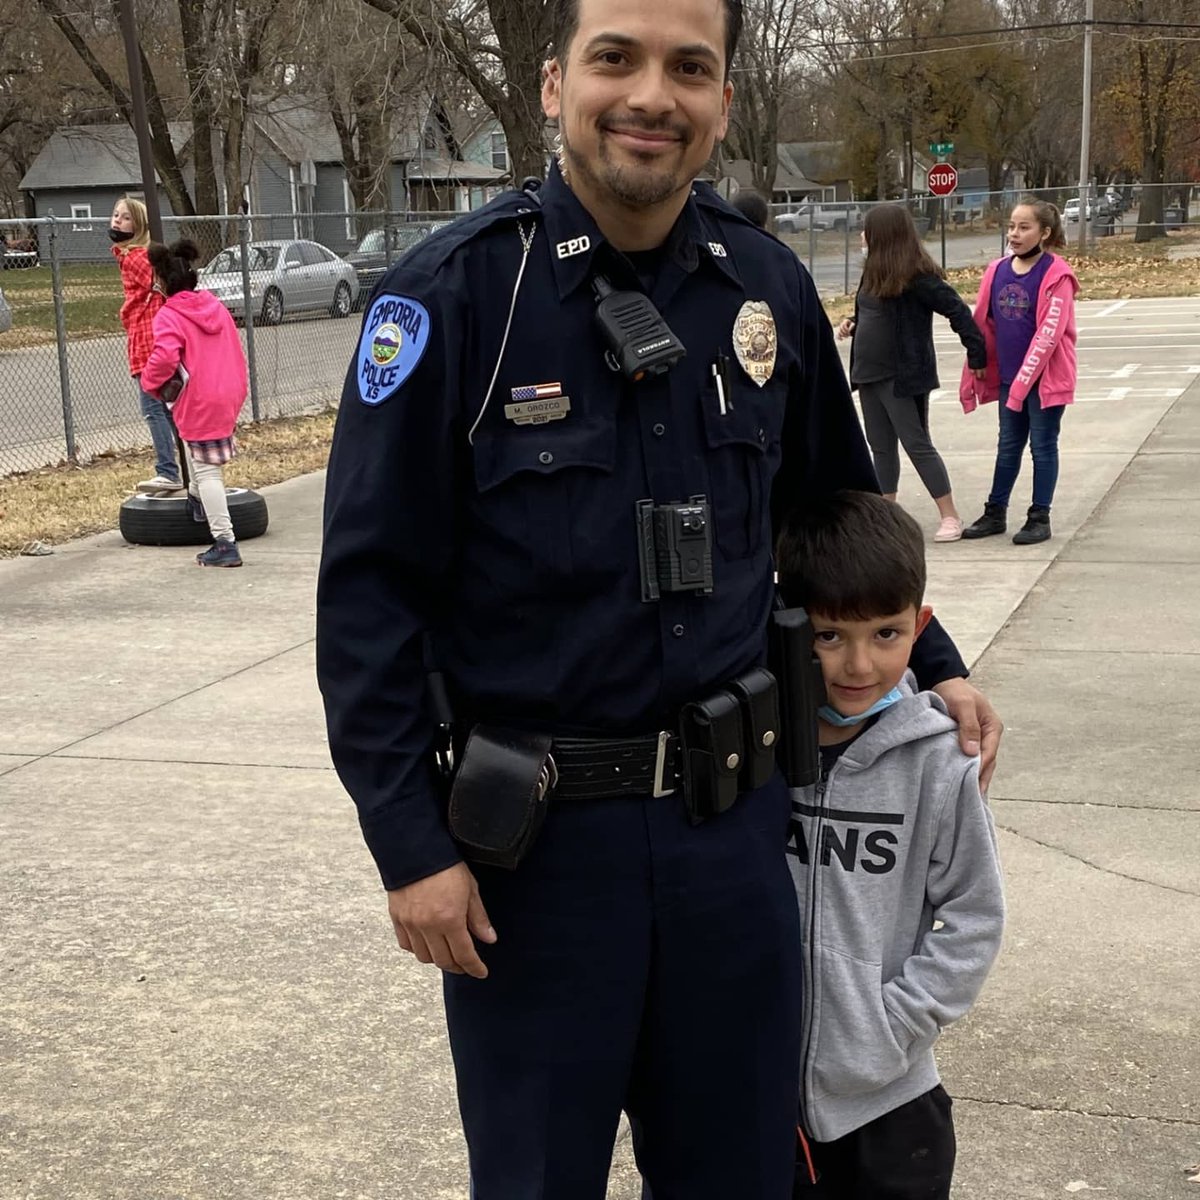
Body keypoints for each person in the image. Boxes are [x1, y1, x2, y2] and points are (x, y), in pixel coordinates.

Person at [316, 1, 1002, 1196]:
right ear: (552, 84)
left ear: (724, 101)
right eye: (615, 59)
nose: (652, 97)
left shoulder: (767, 288)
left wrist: (932, 658)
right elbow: (371, 600)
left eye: (690, 68)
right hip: (533, 872)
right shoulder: (452, 301)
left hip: (735, 850)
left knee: (741, 1176)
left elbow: (835, 514)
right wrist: (407, 846)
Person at [776, 490, 1004, 1200]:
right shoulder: (760, 752)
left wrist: (896, 1024)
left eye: (885, 634)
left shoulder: (939, 761)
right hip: (769, 1098)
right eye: (828, 635)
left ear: (921, 626)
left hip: (892, 1105)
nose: (857, 665)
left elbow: (974, 914)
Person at [834, 206, 986, 543]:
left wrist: (976, 352)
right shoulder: (872, 273)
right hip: (868, 375)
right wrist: (852, 322)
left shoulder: (916, 277)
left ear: (884, 236)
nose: (861, 235)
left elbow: (957, 309)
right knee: (881, 448)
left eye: (866, 230)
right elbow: (872, 312)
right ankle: (885, 514)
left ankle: (950, 515)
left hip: (901, 377)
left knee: (917, 444)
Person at [959, 197, 1079, 545]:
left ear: (1044, 233)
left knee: (1042, 446)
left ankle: (1039, 516)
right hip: (1010, 379)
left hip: (1044, 383)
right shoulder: (997, 271)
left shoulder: (1057, 275)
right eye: (1011, 226)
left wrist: (1023, 384)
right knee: (1007, 446)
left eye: (1024, 227)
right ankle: (995, 511)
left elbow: (1048, 335)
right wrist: (978, 363)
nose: (1014, 233)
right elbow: (984, 322)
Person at [140, 239, 248, 567]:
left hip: (200, 397)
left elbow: (164, 356)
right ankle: (198, 500)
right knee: (199, 454)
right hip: (229, 391)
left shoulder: (169, 315)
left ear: (161, 281)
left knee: (206, 469)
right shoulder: (214, 306)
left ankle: (225, 542)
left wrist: (149, 381)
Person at [109, 196, 183, 494]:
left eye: (125, 217)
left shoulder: (136, 257)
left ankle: (168, 470)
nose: (117, 220)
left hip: (149, 344)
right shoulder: (130, 255)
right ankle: (189, 463)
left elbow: (161, 280)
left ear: (138, 225)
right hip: (148, 339)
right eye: (115, 215)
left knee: (155, 409)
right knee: (169, 409)